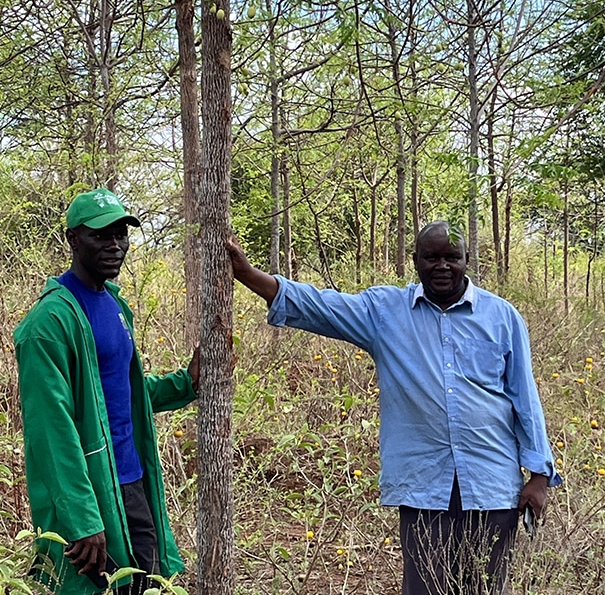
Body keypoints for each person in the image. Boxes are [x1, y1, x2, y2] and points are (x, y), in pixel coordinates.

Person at [227, 221, 562, 595]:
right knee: (425, 588)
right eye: (431, 257)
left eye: (452, 257)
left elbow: (525, 398)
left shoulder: (502, 317)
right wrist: (248, 274)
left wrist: (539, 476)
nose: (442, 266)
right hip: (424, 486)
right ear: (415, 260)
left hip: (492, 484)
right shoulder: (384, 312)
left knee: (484, 588)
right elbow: (319, 305)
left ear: (467, 259)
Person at [14, 188, 199, 595]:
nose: (114, 245)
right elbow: (51, 430)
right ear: (73, 239)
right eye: (100, 235)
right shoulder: (48, 324)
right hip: (92, 489)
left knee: (148, 582)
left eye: (121, 234)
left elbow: (117, 393)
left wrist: (187, 383)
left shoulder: (113, 303)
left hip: (131, 478)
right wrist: (83, 519)